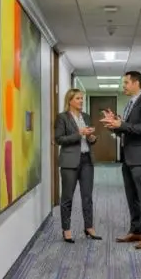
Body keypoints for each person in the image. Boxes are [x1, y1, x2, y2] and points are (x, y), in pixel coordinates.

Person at [99, 71, 141, 250]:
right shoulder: (130, 104)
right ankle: (136, 231)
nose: (123, 86)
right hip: (129, 158)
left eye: (126, 83)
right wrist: (115, 125)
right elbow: (127, 129)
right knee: (132, 198)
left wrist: (121, 124)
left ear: (136, 83)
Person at [54, 88, 102, 244]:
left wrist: (91, 138)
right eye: (78, 98)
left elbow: (89, 139)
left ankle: (89, 227)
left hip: (87, 159)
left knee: (87, 197)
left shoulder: (86, 117)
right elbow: (59, 139)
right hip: (70, 162)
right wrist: (79, 134)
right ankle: (66, 230)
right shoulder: (62, 117)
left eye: (82, 98)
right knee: (67, 197)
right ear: (70, 100)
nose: (81, 101)